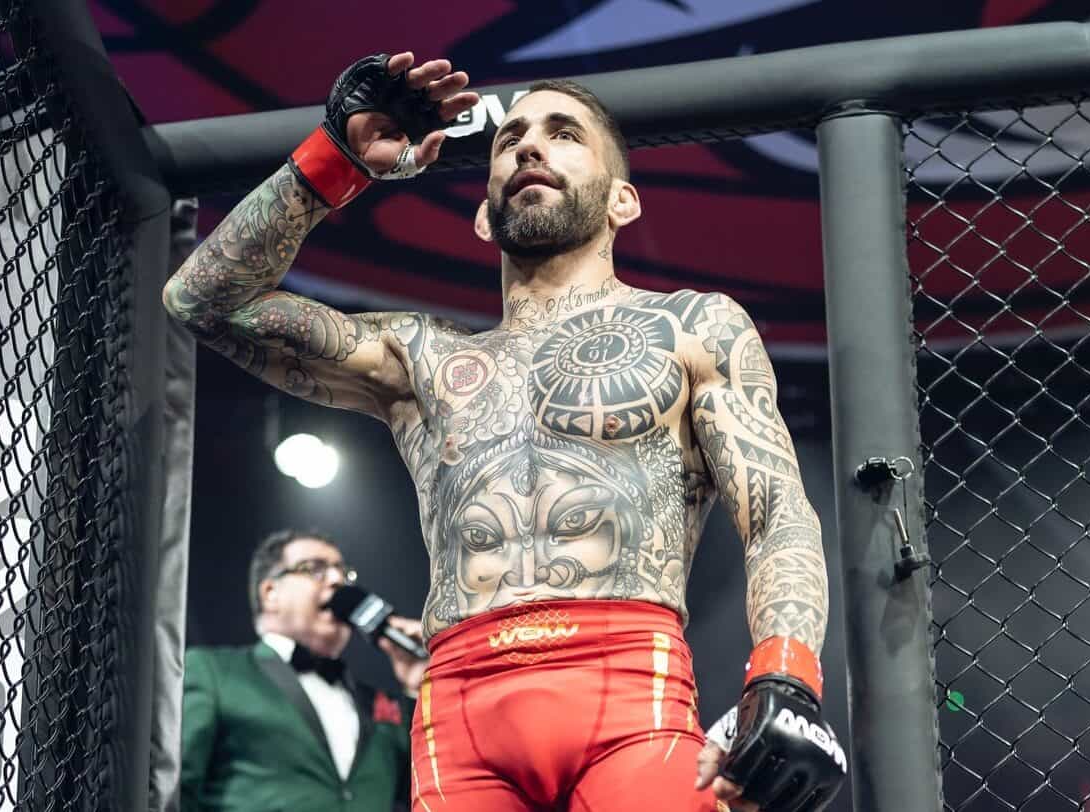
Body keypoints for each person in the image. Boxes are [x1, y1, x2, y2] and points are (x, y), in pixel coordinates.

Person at [164, 51, 847, 812]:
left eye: (564, 134)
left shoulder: (691, 328)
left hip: (630, 690)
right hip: (459, 707)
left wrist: (785, 675)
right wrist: (339, 157)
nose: (529, 145)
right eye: (510, 137)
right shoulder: (420, 359)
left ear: (623, 201)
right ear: (485, 213)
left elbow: (777, 512)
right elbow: (203, 300)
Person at [180, 529, 427, 812]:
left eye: (343, 574)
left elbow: (430, 789)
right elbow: (176, 786)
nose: (337, 581)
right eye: (315, 569)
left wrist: (422, 687)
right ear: (270, 593)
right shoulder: (213, 672)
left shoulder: (380, 703)